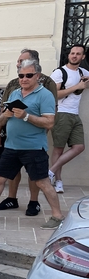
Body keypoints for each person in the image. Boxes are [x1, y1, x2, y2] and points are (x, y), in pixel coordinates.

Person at [0, 59, 64, 230]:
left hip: (34, 147)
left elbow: (49, 123)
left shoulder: (45, 95)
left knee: (42, 182)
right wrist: (5, 115)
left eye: (28, 75)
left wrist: (26, 116)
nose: (24, 79)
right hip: (12, 146)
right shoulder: (14, 93)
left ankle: (57, 216)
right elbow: (2, 119)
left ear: (38, 76)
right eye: (21, 75)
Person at [48, 44, 89, 193]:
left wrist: (86, 79)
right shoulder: (60, 73)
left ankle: (50, 172)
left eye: (78, 54)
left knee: (79, 147)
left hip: (75, 114)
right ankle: (58, 181)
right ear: (68, 55)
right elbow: (53, 95)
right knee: (58, 149)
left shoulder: (82, 71)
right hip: (62, 113)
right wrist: (77, 86)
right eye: (72, 53)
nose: (74, 56)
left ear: (83, 57)